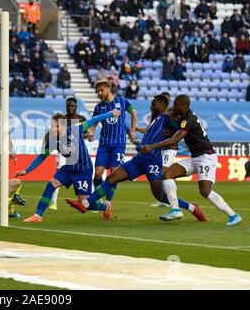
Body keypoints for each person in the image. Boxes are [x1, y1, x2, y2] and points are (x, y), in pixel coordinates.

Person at [66, 95, 206, 223]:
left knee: (160, 196)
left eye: (154, 103)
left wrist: (171, 132)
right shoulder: (155, 118)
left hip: (153, 160)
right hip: (139, 159)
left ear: (163, 105)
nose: (151, 105)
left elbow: (181, 128)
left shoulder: (168, 117)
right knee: (111, 178)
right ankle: (85, 204)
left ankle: (192, 208)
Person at [141, 95, 241, 226]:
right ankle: (176, 209)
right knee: (167, 174)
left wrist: (152, 146)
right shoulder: (181, 115)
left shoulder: (189, 118)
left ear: (184, 106)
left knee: (205, 191)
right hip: (195, 158)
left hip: (206, 157)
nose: (174, 106)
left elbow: (175, 140)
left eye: (176, 104)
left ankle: (233, 215)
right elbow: (171, 122)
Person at [15, 108, 121, 223]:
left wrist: (111, 113)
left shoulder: (75, 130)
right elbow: (42, 157)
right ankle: (38, 215)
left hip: (83, 171)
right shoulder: (52, 141)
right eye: (51, 126)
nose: (52, 129)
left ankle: (105, 206)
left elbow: (95, 119)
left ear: (63, 126)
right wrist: (27, 170)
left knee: (84, 204)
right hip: (69, 169)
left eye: (55, 126)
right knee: (51, 184)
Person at [87, 79, 137, 220]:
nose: (99, 93)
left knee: (114, 173)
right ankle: (99, 198)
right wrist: (91, 132)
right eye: (98, 91)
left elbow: (133, 113)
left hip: (118, 144)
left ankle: (108, 202)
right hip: (104, 144)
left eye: (101, 90)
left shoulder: (122, 101)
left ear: (108, 88)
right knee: (97, 174)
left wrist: (132, 130)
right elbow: (94, 122)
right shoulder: (99, 107)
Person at [49, 98, 87, 210]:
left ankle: (92, 199)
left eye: (72, 106)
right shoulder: (63, 119)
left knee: (85, 174)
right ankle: (53, 202)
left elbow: (85, 133)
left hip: (77, 150)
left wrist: (85, 135)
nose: (70, 108)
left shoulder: (81, 119)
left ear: (76, 106)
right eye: (68, 106)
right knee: (58, 173)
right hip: (63, 150)